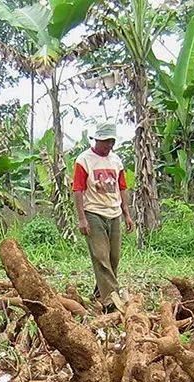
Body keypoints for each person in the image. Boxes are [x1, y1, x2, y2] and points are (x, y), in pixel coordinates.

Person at [72, 122, 134, 311]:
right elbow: (78, 190)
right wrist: (82, 218)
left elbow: (122, 187)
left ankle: (100, 293)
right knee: (100, 256)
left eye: (112, 141)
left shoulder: (116, 160)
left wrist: (127, 214)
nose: (109, 145)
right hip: (93, 213)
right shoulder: (84, 160)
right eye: (106, 141)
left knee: (113, 258)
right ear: (97, 140)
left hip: (114, 213)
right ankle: (112, 300)